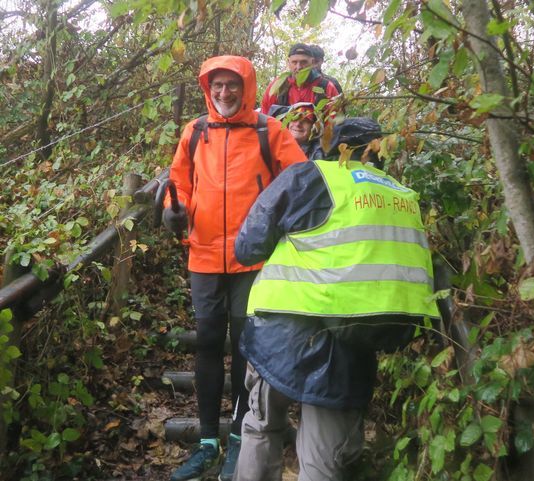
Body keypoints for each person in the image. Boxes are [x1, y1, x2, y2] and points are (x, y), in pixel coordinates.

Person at [232, 157, 441, 480]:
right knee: (323, 457)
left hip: (284, 329)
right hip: (357, 337)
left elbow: (248, 247)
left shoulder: (311, 175)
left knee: (262, 427)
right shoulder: (403, 195)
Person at [162, 55, 307, 481]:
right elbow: (180, 182)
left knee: (244, 343)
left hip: (253, 256)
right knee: (208, 340)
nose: (223, 93)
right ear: (208, 89)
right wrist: (178, 209)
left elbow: (299, 180)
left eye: (231, 85)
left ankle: (241, 438)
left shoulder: (269, 130)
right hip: (204, 254)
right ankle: (208, 440)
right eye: (217, 86)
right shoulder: (195, 132)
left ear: (246, 87)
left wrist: (278, 222)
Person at [261, 43, 340, 115]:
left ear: (312, 62)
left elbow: (334, 121)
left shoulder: (326, 87)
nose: (298, 67)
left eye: (304, 62)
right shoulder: (278, 85)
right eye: (294, 62)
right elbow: (266, 115)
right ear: (288, 62)